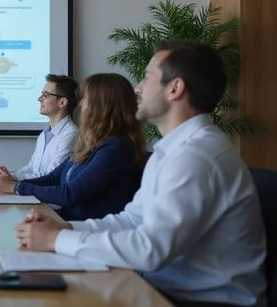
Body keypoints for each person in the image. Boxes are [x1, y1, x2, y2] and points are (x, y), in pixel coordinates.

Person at [15, 41, 266, 307]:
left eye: (147, 77)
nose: (137, 88)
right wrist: (66, 228)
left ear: (175, 88)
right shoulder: (170, 150)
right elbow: (133, 219)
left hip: (202, 301)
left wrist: (57, 239)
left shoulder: (196, 156)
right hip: (162, 289)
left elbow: (150, 249)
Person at [0, 73, 145, 221]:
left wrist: (16, 187)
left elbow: (71, 193)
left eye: (86, 99)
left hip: (85, 230)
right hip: (67, 221)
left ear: (103, 106)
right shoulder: (91, 143)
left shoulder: (115, 149)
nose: (81, 104)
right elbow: (53, 177)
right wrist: (13, 182)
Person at [0, 74, 79, 185]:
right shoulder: (44, 134)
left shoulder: (70, 134)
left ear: (62, 102)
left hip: (50, 200)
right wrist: (7, 175)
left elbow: (51, 175)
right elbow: (32, 167)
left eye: (45, 95)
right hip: (36, 194)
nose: (39, 99)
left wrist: (12, 179)